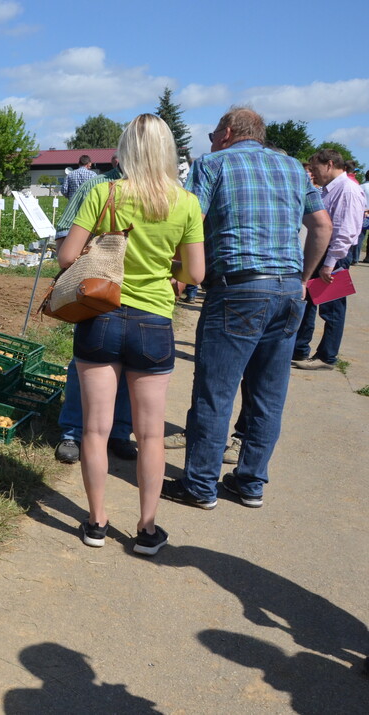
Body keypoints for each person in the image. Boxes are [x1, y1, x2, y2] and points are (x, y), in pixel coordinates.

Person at [162, 107, 331, 511]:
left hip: (238, 288)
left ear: (228, 132)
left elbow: (191, 221)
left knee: (215, 391)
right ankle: (251, 482)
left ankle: (200, 485)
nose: (210, 139)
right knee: (268, 396)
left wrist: (178, 270)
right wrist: (305, 279)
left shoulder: (213, 164)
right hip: (288, 289)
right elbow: (322, 225)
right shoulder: (293, 167)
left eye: (213, 132)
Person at [59, 114, 205, 555]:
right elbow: (197, 273)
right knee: (151, 435)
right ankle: (146, 528)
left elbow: (68, 256)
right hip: (154, 323)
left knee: (95, 430)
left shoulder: (104, 193)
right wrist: (166, 267)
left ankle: (96, 522)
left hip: (101, 316)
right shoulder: (185, 203)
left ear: (127, 150)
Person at [51, 156, 137, 465]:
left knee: (130, 366)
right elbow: (64, 232)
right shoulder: (96, 186)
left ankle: (120, 432)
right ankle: (71, 432)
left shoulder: (158, 191)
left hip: (139, 295)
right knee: (84, 364)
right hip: (98, 291)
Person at [291, 150, 365, 370]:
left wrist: (330, 262)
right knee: (310, 303)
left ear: (329, 164)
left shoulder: (348, 190)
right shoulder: (331, 189)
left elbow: (346, 230)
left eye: (315, 169)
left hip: (332, 256)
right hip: (323, 253)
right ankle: (300, 349)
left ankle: (327, 356)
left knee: (332, 310)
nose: (313, 174)